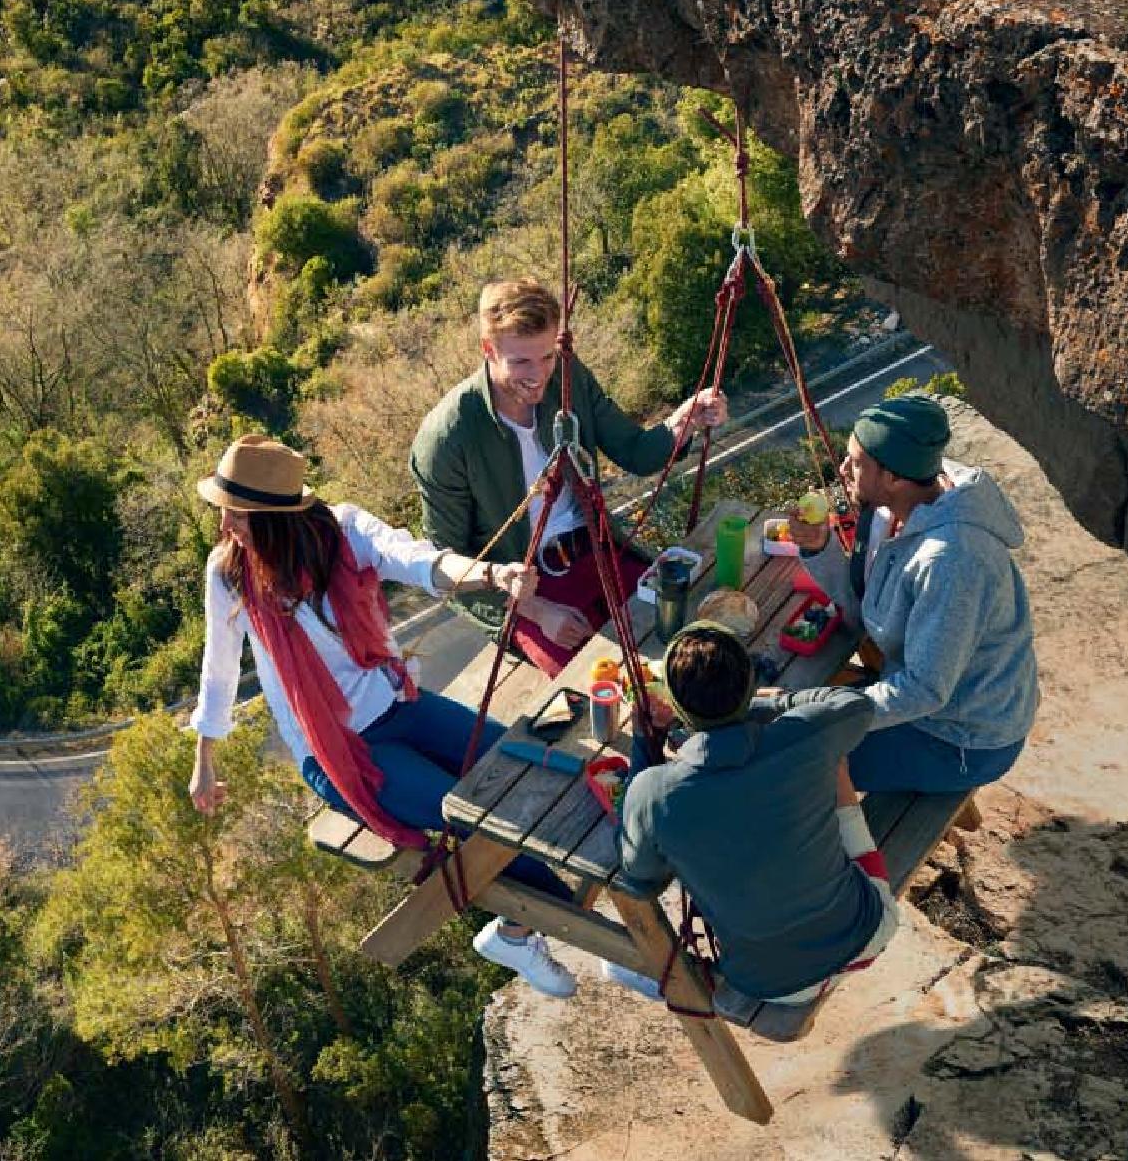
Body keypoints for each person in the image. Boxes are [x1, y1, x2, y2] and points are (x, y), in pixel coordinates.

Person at [187, 434, 577, 997]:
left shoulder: (342, 533)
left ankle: (518, 932)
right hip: (338, 751)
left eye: (238, 516)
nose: (226, 527)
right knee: (478, 820)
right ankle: (596, 935)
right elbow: (219, 669)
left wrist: (494, 575)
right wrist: (204, 760)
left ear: (274, 518)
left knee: (523, 766)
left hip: (397, 706)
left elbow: (415, 559)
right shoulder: (229, 574)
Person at [409, 278, 728, 676]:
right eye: (521, 362)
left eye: (546, 357)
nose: (539, 375)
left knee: (690, 643)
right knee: (595, 685)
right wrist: (535, 610)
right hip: (523, 588)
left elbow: (634, 450)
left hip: (595, 550)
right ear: (488, 350)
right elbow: (446, 565)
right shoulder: (448, 438)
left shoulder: (567, 375)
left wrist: (684, 421)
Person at [612, 623, 900, 1009]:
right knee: (834, 762)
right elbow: (855, 704)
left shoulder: (652, 792)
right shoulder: (806, 735)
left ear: (680, 708)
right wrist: (770, 704)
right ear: (749, 686)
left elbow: (639, 873)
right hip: (866, 936)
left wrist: (645, 746)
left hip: (775, 985)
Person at [787, 393, 1039, 794]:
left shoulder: (952, 560)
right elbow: (869, 612)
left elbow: (924, 689)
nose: (843, 468)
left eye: (856, 462)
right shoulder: (894, 509)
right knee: (794, 721)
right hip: (920, 694)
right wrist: (820, 548)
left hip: (961, 737)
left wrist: (831, 713)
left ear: (892, 478)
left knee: (792, 761)